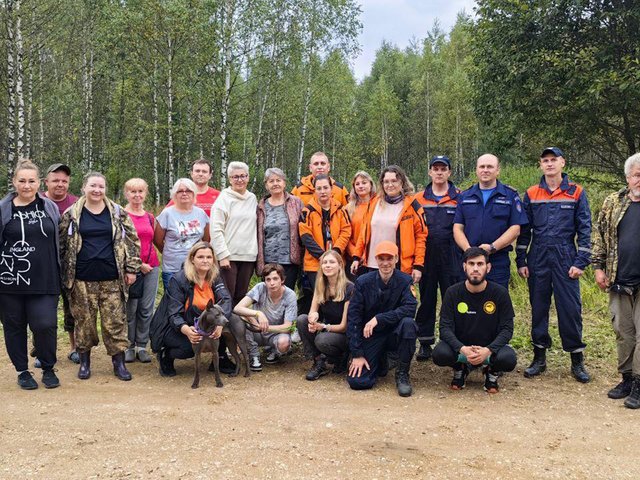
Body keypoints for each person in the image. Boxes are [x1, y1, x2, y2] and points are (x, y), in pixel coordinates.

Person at [516, 147, 592, 383]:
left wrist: (581, 261)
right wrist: (521, 260)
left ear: (562, 163)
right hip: (538, 256)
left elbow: (585, 230)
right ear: (540, 165)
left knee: (569, 310)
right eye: (545, 161)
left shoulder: (576, 192)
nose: (549, 164)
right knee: (538, 308)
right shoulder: (531, 193)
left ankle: (577, 361)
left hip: (565, 256)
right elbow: (524, 230)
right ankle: (539, 358)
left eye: (553, 160)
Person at [60, 172, 141, 381]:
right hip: (81, 279)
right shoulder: (72, 214)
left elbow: (132, 240)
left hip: (112, 278)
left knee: (115, 322)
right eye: (93, 186)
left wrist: (131, 269)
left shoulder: (117, 212)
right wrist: (63, 274)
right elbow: (61, 245)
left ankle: (119, 363)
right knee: (84, 323)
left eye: (101, 187)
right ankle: (85, 363)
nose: (97, 190)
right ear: (84, 188)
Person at [0, 160, 62, 390]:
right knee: (14, 327)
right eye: (22, 181)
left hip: (45, 278)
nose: (27, 186)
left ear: (39, 183)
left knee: (45, 324)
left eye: (31, 181)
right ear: (14, 182)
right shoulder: (3, 209)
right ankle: (22, 371)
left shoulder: (49, 207)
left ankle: (47, 367)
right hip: (9, 282)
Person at [432, 247, 517, 394]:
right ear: (464, 266)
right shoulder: (452, 293)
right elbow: (445, 328)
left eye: (480, 264)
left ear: (488, 267)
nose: (475, 268)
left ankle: (491, 372)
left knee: (508, 358)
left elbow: (507, 329)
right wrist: (462, 349)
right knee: (440, 353)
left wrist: (488, 350)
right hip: (462, 348)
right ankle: (460, 368)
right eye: (471, 264)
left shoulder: (500, 293)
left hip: (489, 349)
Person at [592, 152, 640, 409]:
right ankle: (627, 378)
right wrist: (598, 268)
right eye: (637, 175)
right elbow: (599, 235)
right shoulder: (614, 201)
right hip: (619, 278)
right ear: (628, 177)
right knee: (623, 332)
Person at [150, 242, 232, 377]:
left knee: (229, 320)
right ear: (192, 259)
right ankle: (166, 355)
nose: (205, 261)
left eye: (209, 257)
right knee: (190, 347)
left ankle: (221, 357)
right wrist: (187, 330)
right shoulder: (179, 279)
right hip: (176, 326)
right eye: (200, 257)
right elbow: (173, 314)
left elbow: (226, 300)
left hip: (204, 323)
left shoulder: (215, 277)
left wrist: (220, 326)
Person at [347, 241, 418, 397]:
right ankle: (382, 361)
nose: (385, 263)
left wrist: (380, 318)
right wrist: (357, 354)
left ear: (396, 259)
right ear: (375, 260)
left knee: (409, 324)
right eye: (381, 258)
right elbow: (354, 318)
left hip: (395, 333)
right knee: (358, 382)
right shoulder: (363, 282)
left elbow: (410, 309)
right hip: (371, 335)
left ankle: (402, 374)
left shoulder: (405, 281)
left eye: (389, 258)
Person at [210, 161, 258, 373]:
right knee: (226, 301)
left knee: (240, 302)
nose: (240, 179)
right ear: (229, 179)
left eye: (243, 176)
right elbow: (216, 229)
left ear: (248, 177)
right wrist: (223, 255)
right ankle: (219, 351)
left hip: (248, 256)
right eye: (235, 176)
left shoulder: (252, 198)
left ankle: (241, 348)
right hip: (229, 258)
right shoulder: (223, 199)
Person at [453, 154, 528, 289]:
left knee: (496, 302)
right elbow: (457, 228)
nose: (485, 170)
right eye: (482, 166)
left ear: (497, 170)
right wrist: (469, 251)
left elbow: (515, 229)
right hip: (470, 261)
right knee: (468, 303)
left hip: (497, 260)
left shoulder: (510, 195)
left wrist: (492, 247)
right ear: (476, 170)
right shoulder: (465, 196)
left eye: (490, 167)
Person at [414, 155, 461, 362]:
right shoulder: (418, 198)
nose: (439, 172)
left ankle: (452, 341)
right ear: (430, 172)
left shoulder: (460, 197)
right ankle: (425, 342)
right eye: (436, 168)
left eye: (443, 169)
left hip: (452, 256)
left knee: (452, 299)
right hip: (426, 256)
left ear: (449, 172)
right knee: (427, 299)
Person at [350, 165, 427, 285]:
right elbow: (364, 233)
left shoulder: (412, 206)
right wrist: (356, 257)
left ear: (402, 182)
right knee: (373, 302)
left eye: (394, 181)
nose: (390, 185)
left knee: (397, 302)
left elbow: (421, 238)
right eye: (386, 181)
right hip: (372, 264)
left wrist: (418, 265)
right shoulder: (374, 202)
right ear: (382, 184)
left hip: (399, 266)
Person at [43, 162, 79, 364]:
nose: (60, 184)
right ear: (46, 181)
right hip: (42, 265)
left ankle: (74, 348)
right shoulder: (36, 201)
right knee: (42, 310)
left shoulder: (76, 203)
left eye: (64, 181)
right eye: (55, 180)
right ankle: (41, 349)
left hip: (69, 266)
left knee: (72, 308)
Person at [297, 250, 353, 381]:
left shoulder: (349, 288)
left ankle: (342, 357)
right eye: (324, 262)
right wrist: (313, 318)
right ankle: (318, 361)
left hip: (345, 334)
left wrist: (322, 326)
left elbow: (344, 326)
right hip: (327, 330)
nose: (327, 265)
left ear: (340, 265)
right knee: (302, 320)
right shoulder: (321, 285)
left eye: (332, 262)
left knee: (321, 340)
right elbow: (312, 311)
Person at [233, 263, 297, 371]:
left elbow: (287, 327)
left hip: (276, 333)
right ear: (264, 281)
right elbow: (237, 308)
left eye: (275, 279)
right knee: (240, 319)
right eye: (268, 279)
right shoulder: (260, 288)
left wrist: (265, 327)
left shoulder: (290, 295)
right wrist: (258, 314)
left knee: (284, 343)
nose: (272, 283)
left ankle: (274, 351)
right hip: (256, 331)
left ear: (282, 280)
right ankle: (253, 354)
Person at [123, 178, 160, 364]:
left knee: (146, 308)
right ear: (126, 194)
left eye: (140, 191)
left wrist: (148, 265)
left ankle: (142, 345)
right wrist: (137, 265)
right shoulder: (120, 215)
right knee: (131, 309)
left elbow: (153, 241)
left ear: (145, 193)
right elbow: (120, 245)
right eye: (133, 191)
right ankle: (129, 346)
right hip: (130, 269)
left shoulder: (150, 217)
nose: (137, 195)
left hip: (152, 267)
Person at [299, 174, 351, 292]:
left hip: (337, 262)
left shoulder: (341, 210)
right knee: (319, 298)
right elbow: (305, 236)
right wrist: (323, 257)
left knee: (337, 296)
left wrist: (336, 252)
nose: (323, 191)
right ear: (314, 190)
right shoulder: (307, 211)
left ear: (331, 189)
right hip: (314, 264)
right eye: (319, 188)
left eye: (325, 188)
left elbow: (346, 231)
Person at [155, 178, 210, 290]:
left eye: (188, 190)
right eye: (180, 191)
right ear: (175, 195)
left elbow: (206, 240)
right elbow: (157, 240)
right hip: (172, 268)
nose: (184, 193)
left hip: (196, 267)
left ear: (194, 193)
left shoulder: (201, 213)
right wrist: (168, 252)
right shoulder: (167, 213)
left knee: (194, 302)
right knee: (173, 302)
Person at [256, 167, 304, 291]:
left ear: (284, 183)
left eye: (278, 180)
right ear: (266, 185)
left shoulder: (296, 203)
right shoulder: (261, 206)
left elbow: (304, 228)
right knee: (270, 296)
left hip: (290, 260)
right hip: (269, 261)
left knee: (288, 294)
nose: (275, 183)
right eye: (271, 181)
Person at [344, 171, 377, 278]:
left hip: (374, 257)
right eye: (357, 184)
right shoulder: (348, 209)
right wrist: (356, 254)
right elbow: (345, 233)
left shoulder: (379, 205)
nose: (361, 186)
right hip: (354, 258)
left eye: (364, 182)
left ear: (371, 184)